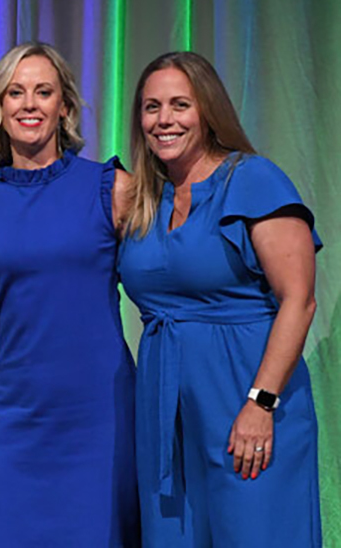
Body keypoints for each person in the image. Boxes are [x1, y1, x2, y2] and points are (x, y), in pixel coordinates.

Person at [117, 51, 322, 546]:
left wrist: (261, 403)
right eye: (151, 107)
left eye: (180, 105)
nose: (164, 119)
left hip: (245, 398)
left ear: (208, 111)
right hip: (165, 409)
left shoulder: (252, 180)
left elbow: (299, 300)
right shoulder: (143, 199)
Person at [0, 42, 139, 546]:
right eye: (15, 93)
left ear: (65, 106)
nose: (29, 104)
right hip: (21, 413)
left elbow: (162, 283)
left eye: (43, 92)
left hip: (99, 410)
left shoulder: (111, 188)